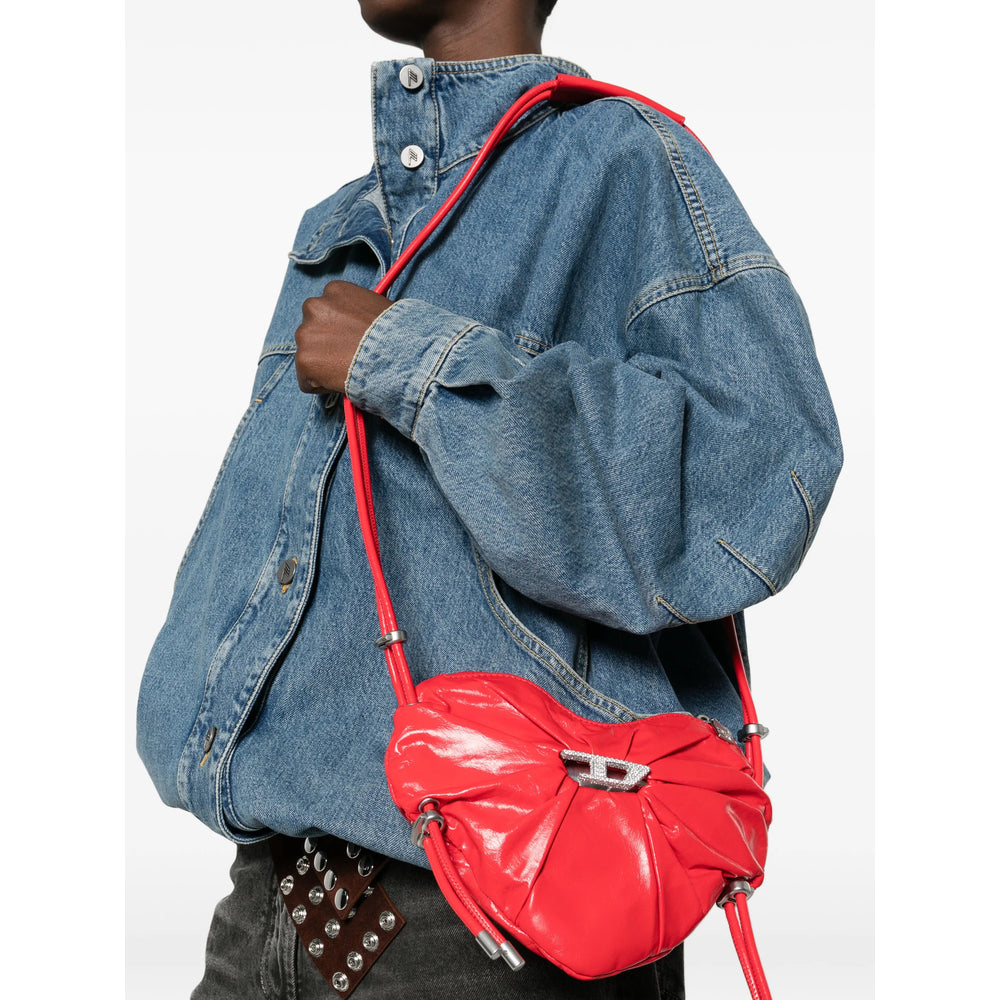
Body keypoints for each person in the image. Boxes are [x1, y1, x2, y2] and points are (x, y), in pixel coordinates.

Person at [136, 0, 843, 997]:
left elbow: (759, 472)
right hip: (270, 907)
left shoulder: (622, 160)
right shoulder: (343, 225)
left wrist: (407, 356)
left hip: (504, 912)